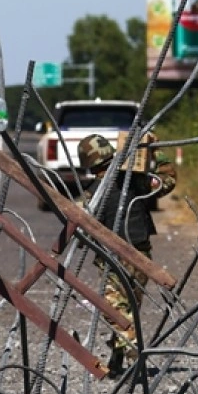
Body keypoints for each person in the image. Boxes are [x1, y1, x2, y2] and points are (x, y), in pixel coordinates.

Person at [77, 132, 176, 374]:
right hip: (141, 256)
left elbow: (79, 224)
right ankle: (118, 357)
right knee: (129, 308)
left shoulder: (93, 193)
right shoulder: (136, 181)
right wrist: (155, 151)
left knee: (117, 312)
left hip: (112, 258)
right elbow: (168, 180)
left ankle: (135, 361)